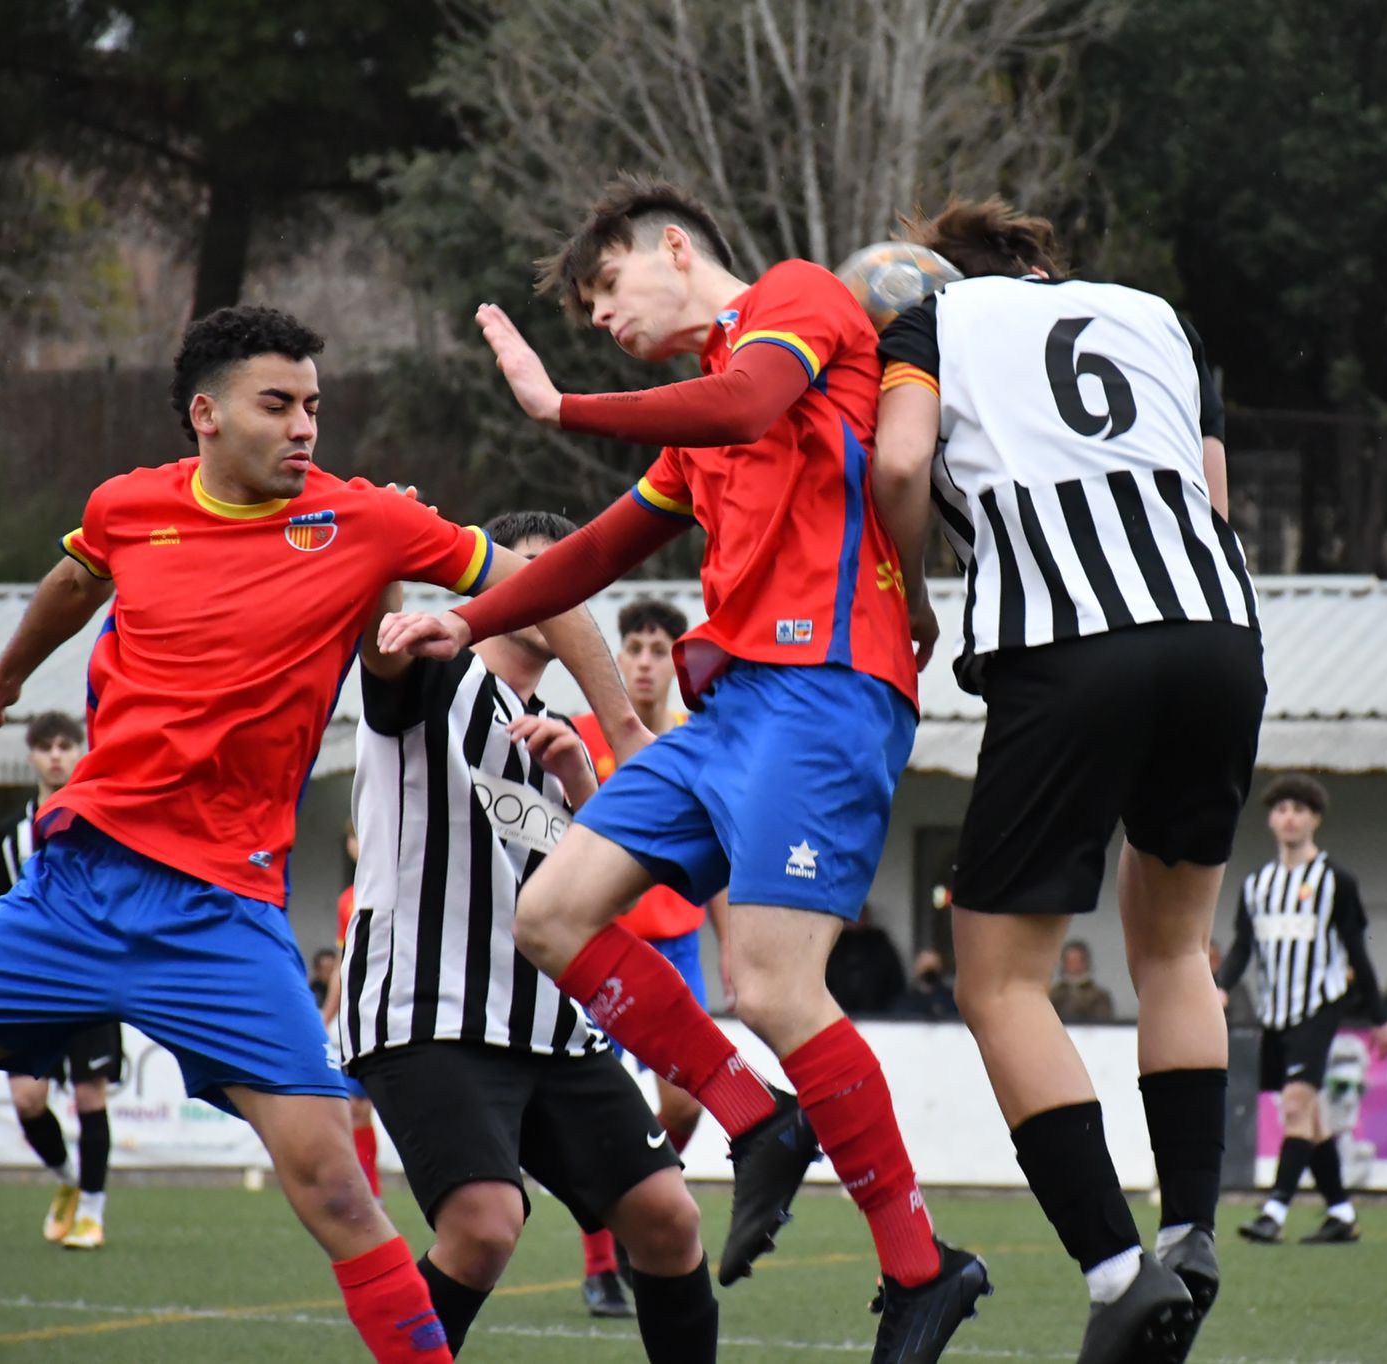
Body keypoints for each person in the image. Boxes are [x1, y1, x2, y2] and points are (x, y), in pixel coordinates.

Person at [0, 304, 646, 1364]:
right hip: (69, 894)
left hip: (222, 918)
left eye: (314, 405)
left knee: (341, 1197)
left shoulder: (366, 523)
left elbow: (550, 577)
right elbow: (77, 576)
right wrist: (1, 679)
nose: (305, 424)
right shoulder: (128, 506)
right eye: (279, 403)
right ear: (205, 416)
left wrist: (619, 723)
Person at [376, 176, 989, 1362]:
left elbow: (749, 394)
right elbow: (604, 544)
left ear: (671, 248)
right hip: (728, 710)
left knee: (769, 983)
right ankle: (757, 1120)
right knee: (549, 910)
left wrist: (563, 407)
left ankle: (921, 1267)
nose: (601, 317)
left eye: (606, 287)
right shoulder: (694, 422)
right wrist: (471, 615)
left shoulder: (797, 303)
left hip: (826, 693)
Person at [869, 196, 1263, 1364]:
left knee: (999, 977)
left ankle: (1111, 1267)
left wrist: (918, 592)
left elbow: (898, 462)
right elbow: (1212, 493)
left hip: (1067, 639)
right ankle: (1188, 1229)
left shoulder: (930, 320)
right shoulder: (1156, 317)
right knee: (1174, 944)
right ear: (1043, 260)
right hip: (1214, 627)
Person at [340, 510, 718, 1361]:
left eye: (565, 578)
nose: (552, 592)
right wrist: (386, 552)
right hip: (427, 1004)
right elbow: (381, 644)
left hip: (545, 1019)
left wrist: (584, 781)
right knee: (484, 1223)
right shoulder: (435, 672)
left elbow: (611, 892)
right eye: (532, 572)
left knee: (668, 1217)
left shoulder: (561, 732)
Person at [568, 596, 730, 1320]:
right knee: (593, 1119)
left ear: (677, 660)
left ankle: (639, 1210)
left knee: (684, 1103)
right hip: (599, 948)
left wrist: (739, 949)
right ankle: (602, 1267)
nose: (642, 659)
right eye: (631, 645)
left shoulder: (701, 744)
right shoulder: (580, 734)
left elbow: (718, 856)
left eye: (658, 648)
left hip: (678, 949)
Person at [1216, 775, 1387, 1248]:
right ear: (1271, 820)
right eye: (1280, 809)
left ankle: (1273, 1211)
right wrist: (1220, 987)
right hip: (1275, 1014)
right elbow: (1242, 947)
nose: (1289, 817)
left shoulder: (1336, 881)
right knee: (1308, 1118)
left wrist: (1379, 1016)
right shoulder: (1257, 885)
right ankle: (1341, 1213)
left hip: (1318, 1007)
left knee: (1295, 1105)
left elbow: (1358, 951)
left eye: (1299, 809)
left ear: (1315, 818)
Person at [0, 709, 121, 1248]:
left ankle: (93, 1210)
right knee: (28, 1102)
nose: (56, 755)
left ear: (81, 750)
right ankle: (67, 1181)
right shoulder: (4, 836)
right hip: (26, 989)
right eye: (46, 746)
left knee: (90, 1098)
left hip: (89, 984)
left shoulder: (102, 823)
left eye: (66, 745)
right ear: (32, 755)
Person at [322, 823, 381, 1202]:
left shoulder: (399, 886)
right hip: (359, 1013)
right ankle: (371, 1194)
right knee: (357, 1107)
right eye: (353, 836)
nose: (358, 844)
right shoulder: (348, 901)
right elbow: (345, 963)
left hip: (394, 1008)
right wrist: (327, 1012)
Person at [827, 906, 908, 1017]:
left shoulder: (879, 942)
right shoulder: (837, 944)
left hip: (878, 1015)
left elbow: (896, 981)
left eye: (861, 915)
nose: (857, 920)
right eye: (854, 916)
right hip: (840, 1014)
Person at [1047, 942, 1117, 1024]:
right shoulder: (1053, 994)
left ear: (1086, 962)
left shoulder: (1099, 995)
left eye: (1077, 961)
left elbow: (1102, 1021)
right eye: (1070, 961)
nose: (1074, 965)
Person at [898, 950, 959, 1022]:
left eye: (932, 968)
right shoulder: (907, 1001)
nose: (929, 972)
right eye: (925, 968)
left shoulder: (951, 998)